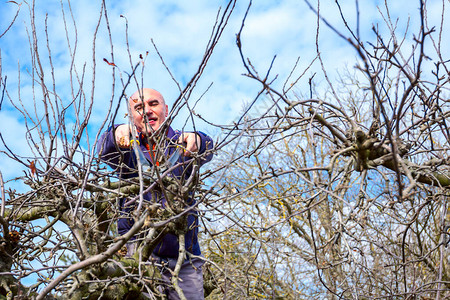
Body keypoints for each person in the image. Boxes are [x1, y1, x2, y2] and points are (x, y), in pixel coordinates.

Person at [96, 88, 214, 299]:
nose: (147, 111)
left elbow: (208, 148)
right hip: (139, 255)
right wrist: (117, 132)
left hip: (185, 258)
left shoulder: (180, 142)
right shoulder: (127, 146)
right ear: (132, 116)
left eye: (153, 104)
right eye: (139, 107)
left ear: (166, 110)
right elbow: (104, 148)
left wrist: (199, 138)